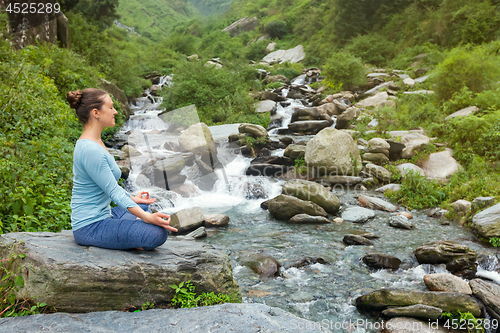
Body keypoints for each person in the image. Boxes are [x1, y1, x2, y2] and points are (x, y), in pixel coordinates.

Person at [66, 88, 177, 251]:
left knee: (143, 208)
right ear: (96, 113)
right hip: (90, 226)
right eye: (110, 107)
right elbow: (114, 191)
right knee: (157, 233)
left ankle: (129, 237)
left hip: (105, 216)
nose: (115, 111)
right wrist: (146, 218)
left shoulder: (96, 142)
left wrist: (133, 198)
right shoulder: (90, 150)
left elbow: (108, 185)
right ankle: (130, 238)